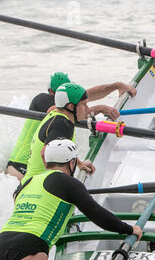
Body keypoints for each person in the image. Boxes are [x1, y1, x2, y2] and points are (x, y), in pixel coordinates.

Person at [0, 138, 143, 260]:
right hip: (30, 245)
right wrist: (129, 229)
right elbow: (97, 214)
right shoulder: (68, 183)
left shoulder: (28, 181)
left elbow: (22, 201)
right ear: (72, 163)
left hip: (3, 240)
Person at [6, 71, 137, 180]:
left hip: (30, 170)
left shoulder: (65, 103)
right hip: (19, 168)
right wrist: (98, 108)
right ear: (53, 93)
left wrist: (115, 86)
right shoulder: (42, 100)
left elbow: (85, 96)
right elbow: (61, 114)